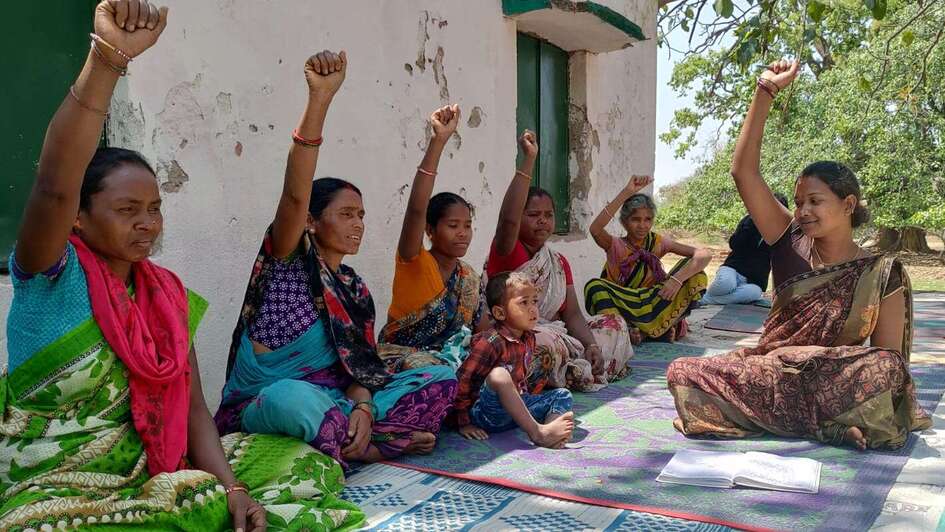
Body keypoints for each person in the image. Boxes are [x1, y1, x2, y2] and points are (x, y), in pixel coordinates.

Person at [0, 3, 362, 531]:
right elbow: (55, 182)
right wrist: (107, 59)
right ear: (76, 218)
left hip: (154, 471)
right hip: (58, 481)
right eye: (127, 211)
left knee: (300, 464)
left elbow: (194, 411)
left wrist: (234, 489)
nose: (147, 224)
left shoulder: (166, 294)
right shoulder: (51, 275)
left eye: (154, 209)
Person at [667, 59, 931, 450]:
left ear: (848, 204)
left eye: (815, 201)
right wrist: (765, 90)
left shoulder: (880, 272)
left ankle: (781, 418)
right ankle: (825, 427)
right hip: (775, 370)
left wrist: (817, 355)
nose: (803, 211)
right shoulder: (788, 238)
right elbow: (744, 173)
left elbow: (888, 356)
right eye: (798, 202)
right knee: (683, 371)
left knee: (885, 371)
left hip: (829, 376)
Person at [214, 51, 456, 466]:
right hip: (267, 402)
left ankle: (350, 437)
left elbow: (359, 370)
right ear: (310, 221)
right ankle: (375, 449)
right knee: (290, 399)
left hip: (335, 402)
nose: (358, 224)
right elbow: (294, 193)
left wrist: (363, 408)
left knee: (438, 377)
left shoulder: (355, 290)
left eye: (361, 215)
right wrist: (320, 100)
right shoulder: (289, 260)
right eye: (346, 214)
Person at [483, 132, 633, 393]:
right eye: (533, 215)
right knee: (544, 344)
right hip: (520, 336)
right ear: (519, 218)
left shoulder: (558, 262)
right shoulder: (507, 251)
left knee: (613, 324)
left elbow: (572, 314)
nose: (542, 221)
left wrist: (591, 345)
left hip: (557, 333)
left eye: (548, 215)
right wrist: (528, 160)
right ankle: (570, 369)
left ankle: (584, 364)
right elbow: (507, 221)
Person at [377, 104, 483, 370]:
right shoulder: (413, 260)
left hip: (452, 356)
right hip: (403, 356)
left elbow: (481, 330)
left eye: (467, 225)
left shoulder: (468, 277)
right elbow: (415, 209)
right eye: (453, 225)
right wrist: (438, 141)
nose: (462, 233)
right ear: (430, 230)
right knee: (433, 369)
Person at [453, 272, 575, 448]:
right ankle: (538, 433)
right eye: (524, 302)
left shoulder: (529, 337)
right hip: (486, 414)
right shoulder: (490, 342)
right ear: (500, 313)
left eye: (534, 301)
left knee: (562, 394)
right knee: (499, 375)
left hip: (513, 413)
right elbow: (463, 381)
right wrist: (463, 422)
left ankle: (551, 432)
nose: (533, 308)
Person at [584, 176, 711, 343]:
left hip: (652, 305)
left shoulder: (658, 243)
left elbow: (704, 254)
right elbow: (595, 229)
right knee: (594, 287)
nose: (642, 225)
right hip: (625, 305)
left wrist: (676, 280)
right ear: (624, 222)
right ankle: (633, 331)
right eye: (635, 219)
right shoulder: (615, 245)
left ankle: (650, 331)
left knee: (695, 271)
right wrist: (626, 193)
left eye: (648, 219)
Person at [701, 193, 789, 306]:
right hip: (733, 268)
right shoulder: (750, 220)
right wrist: (752, 223)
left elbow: (779, 263)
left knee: (754, 294)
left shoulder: (781, 232)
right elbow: (734, 244)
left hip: (754, 280)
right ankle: (717, 297)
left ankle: (706, 300)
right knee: (726, 284)